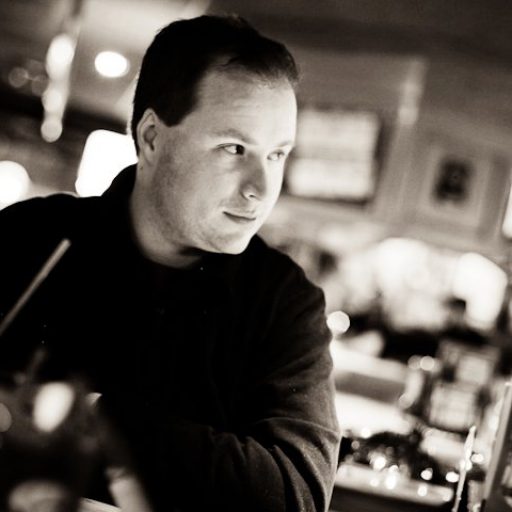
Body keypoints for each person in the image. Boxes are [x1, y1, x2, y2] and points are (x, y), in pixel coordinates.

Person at [0, 15, 341, 512]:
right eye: (234, 148)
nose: (262, 189)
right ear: (152, 138)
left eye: (276, 155)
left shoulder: (285, 303)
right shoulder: (29, 238)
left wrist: (89, 418)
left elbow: (295, 496)